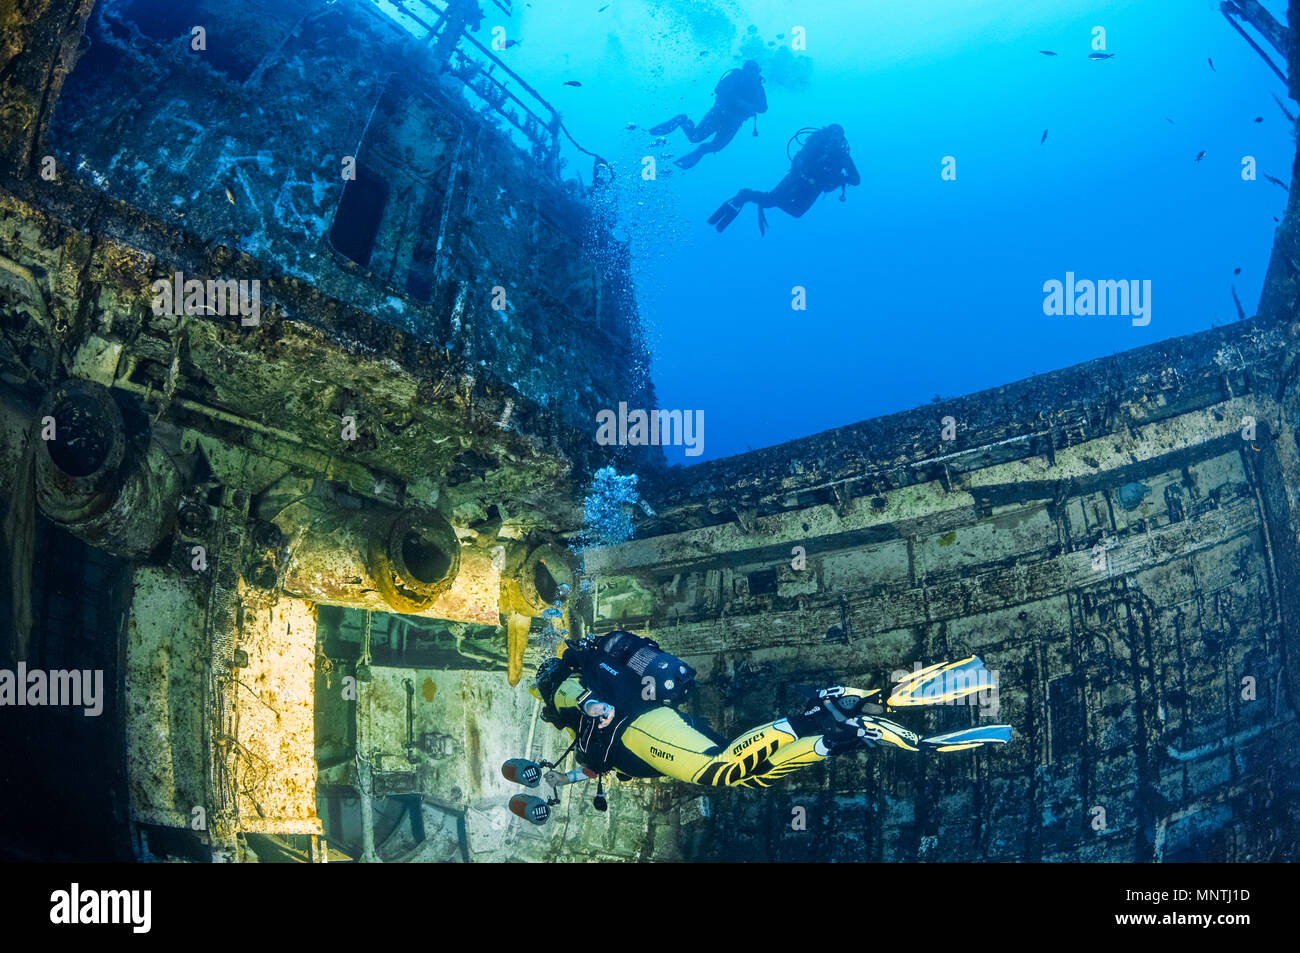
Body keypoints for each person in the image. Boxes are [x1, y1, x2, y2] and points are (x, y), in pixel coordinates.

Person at [520, 631, 1010, 792]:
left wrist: (588, 701)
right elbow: (590, 764)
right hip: (648, 737)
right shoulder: (586, 744)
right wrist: (564, 781)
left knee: (720, 774)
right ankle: (831, 736)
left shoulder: (565, 687)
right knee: (754, 776)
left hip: (636, 725)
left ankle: (815, 716)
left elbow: (571, 696)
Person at [709, 123, 860, 235]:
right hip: (797, 178)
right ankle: (746, 195)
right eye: (831, 140)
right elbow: (799, 158)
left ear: (841, 141)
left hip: (815, 187)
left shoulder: (843, 156)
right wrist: (800, 172)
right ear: (827, 138)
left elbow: (856, 179)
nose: (833, 143)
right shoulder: (817, 145)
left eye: (837, 141)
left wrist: (840, 178)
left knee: (796, 212)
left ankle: (753, 196)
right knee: (769, 201)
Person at [649, 61, 768, 170]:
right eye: (749, 71)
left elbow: (763, 108)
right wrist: (738, 101)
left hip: (735, 122)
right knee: (694, 137)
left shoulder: (759, 88)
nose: (751, 74)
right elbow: (719, 90)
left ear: (758, 72)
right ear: (744, 70)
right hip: (718, 114)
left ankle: (699, 152)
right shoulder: (735, 77)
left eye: (754, 72)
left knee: (717, 146)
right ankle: (682, 120)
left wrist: (751, 106)